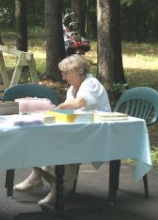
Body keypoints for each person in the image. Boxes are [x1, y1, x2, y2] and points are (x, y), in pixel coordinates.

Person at [13, 54, 111, 207]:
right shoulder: (73, 88)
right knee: (37, 136)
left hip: (95, 131)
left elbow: (79, 103)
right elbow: (69, 110)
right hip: (78, 128)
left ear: (76, 72)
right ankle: (42, 177)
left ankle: (54, 185)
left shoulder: (91, 84)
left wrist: (61, 107)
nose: (63, 77)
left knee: (57, 143)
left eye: (65, 73)